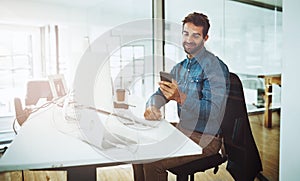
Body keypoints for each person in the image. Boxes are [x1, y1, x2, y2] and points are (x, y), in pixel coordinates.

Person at [132, 12, 230, 181]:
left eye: (196, 35)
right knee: (138, 151)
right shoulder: (179, 68)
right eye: (186, 33)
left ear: (205, 38)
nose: (189, 40)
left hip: (207, 139)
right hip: (183, 131)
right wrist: (152, 106)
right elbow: (159, 95)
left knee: (151, 161)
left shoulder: (216, 67)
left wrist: (181, 98)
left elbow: (213, 112)